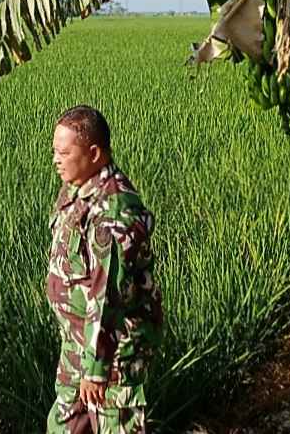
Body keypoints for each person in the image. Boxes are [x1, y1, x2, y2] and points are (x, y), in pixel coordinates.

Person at [46, 106, 165, 434]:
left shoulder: (113, 212)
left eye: (64, 153)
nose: (56, 160)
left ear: (94, 153)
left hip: (113, 347)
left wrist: (96, 369)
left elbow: (105, 293)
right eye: (54, 151)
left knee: (114, 426)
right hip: (78, 340)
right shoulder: (77, 187)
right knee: (64, 425)